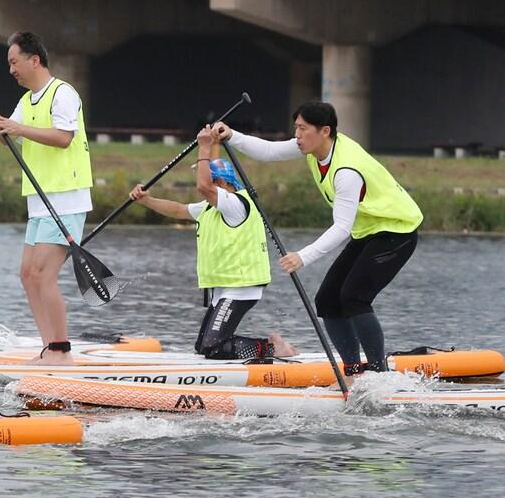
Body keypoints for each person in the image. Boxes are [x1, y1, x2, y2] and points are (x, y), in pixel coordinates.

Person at [214, 101, 422, 374]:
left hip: (397, 232)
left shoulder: (346, 171)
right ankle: (352, 371)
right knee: (326, 301)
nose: (297, 136)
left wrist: (303, 257)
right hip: (369, 232)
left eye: (302, 129)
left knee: (354, 298)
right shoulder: (313, 147)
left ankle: (377, 372)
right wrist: (231, 135)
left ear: (324, 131)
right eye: (296, 128)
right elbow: (269, 151)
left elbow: (341, 228)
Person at [0, 31, 92, 365]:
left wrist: (16, 127)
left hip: (65, 199)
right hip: (39, 201)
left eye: (14, 61)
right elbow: (7, 135)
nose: (11, 69)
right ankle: (48, 346)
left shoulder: (62, 93)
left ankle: (61, 350)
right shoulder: (26, 102)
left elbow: (64, 138)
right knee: (27, 275)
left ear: (34, 60)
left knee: (43, 275)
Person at [129, 128, 297, 359]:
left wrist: (205, 147)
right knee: (203, 347)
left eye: (206, 176)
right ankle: (255, 350)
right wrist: (147, 200)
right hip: (225, 288)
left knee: (213, 347)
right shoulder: (210, 208)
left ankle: (272, 348)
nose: (202, 184)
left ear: (219, 181)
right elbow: (179, 210)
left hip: (240, 287)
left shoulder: (235, 204)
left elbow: (204, 187)